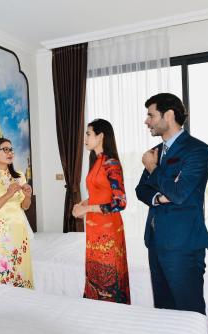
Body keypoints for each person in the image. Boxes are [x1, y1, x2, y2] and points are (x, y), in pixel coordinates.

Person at [135, 93, 208, 315]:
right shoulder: (156, 152)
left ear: (168, 115)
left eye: (151, 115)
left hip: (183, 246)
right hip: (155, 243)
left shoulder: (197, 150)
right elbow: (142, 190)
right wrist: (158, 197)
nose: (146, 121)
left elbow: (178, 194)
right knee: (164, 312)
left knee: (189, 311)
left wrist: (153, 170)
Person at [72, 119, 130, 304]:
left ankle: (113, 317)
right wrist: (80, 204)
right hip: (94, 228)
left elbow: (120, 202)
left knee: (109, 276)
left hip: (108, 230)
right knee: (96, 274)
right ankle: (95, 313)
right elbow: (98, 195)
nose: (85, 138)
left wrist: (87, 208)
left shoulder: (110, 163)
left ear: (101, 136)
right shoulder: (96, 161)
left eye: (88, 134)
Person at [0, 138, 34, 288]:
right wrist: (8, 194)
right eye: (5, 149)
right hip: (1, 235)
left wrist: (28, 195)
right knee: (4, 276)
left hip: (20, 232)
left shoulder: (19, 176)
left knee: (22, 274)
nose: (10, 153)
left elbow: (25, 206)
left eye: (11, 149)